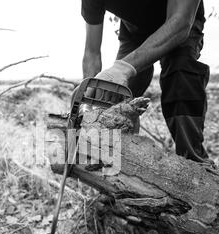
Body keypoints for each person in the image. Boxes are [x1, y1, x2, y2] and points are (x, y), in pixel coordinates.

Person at [81, 0, 211, 162]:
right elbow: (91, 53)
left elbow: (180, 22)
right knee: (114, 97)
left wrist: (123, 67)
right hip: (134, 31)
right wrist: (86, 99)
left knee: (181, 76)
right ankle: (119, 161)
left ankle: (195, 164)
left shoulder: (181, 21)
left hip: (181, 21)